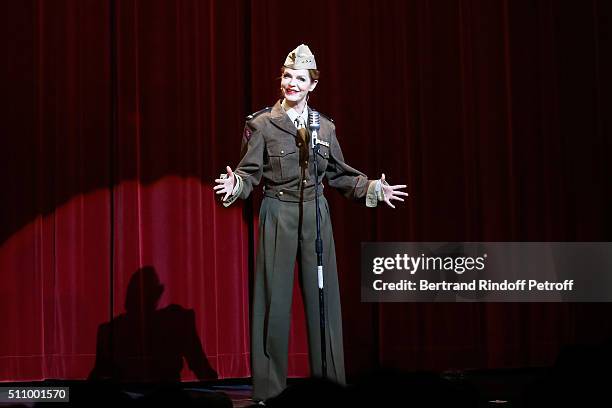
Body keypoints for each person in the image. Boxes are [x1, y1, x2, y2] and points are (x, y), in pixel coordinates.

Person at [214, 44, 408, 403]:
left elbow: (339, 174)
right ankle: (269, 393)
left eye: (299, 78)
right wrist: (234, 185)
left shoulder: (326, 128)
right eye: (287, 76)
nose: (291, 83)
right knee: (273, 304)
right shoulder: (261, 125)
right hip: (278, 213)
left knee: (325, 301)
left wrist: (374, 188)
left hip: (316, 215)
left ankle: (330, 388)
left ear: (311, 85)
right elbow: (248, 173)